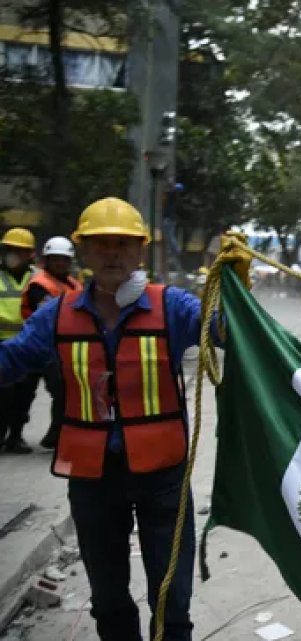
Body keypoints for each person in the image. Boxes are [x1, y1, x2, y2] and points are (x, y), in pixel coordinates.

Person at [0, 197, 247, 641]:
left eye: (123, 244)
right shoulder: (56, 316)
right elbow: (11, 360)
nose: (112, 253)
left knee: (171, 598)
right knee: (109, 599)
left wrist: (235, 288)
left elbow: (227, 333)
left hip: (163, 477)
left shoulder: (171, 306)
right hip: (93, 478)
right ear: (84, 252)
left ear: (140, 251)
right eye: (101, 244)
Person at [21, 236, 82, 449]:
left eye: (64, 259)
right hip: (39, 345)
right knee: (22, 394)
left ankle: (56, 435)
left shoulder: (73, 284)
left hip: (63, 348)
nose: (60, 263)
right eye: (55, 259)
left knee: (64, 393)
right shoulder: (40, 284)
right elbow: (47, 316)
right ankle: (12, 435)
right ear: (47, 260)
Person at [0, 227, 39, 453]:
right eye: (10, 250)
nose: (14, 255)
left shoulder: (37, 278)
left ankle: (16, 435)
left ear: (30, 255)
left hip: (28, 344)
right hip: (2, 343)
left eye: (20, 251)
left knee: (24, 394)